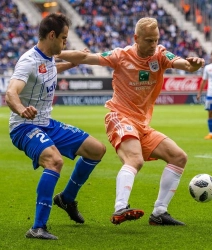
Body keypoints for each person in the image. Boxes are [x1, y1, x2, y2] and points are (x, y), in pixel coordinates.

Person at [57, 17, 204, 226]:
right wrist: (53, 53)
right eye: (148, 41)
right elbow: (86, 58)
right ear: (136, 38)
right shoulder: (121, 55)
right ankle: (120, 208)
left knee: (179, 157)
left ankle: (159, 213)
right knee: (135, 160)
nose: (153, 45)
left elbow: (182, 63)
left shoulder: (160, 55)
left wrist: (192, 65)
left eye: (155, 40)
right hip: (119, 116)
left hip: (142, 125)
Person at [5, 13, 106, 240]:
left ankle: (66, 199)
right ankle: (38, 227)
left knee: (96, 149)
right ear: (51, 35)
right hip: (24, 126)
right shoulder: (28, 61)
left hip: (47, 124)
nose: (65, 43)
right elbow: (11, 93)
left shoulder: (49, 56)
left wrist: (71, 63)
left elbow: (49, 69)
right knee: (54, 160)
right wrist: (22, 109)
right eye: (63, 38)